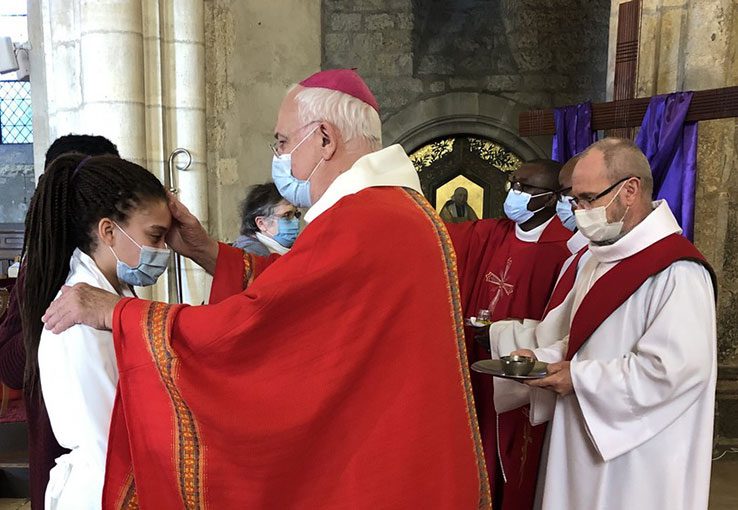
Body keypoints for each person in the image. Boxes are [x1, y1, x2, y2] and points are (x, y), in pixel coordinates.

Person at [42, 69, 491, 509]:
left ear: (324, 139)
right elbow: (300, 294)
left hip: (382, 463)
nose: (277, 157)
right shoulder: (388, 210)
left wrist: (117, 314)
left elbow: (261, 326)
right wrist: (207, 252)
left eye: (281, 141)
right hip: (404, 450)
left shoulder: (362, 221)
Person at [517, 138, 716, 510]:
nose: (579, 211)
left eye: (588, 198)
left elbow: (674, 371)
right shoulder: (598, 258)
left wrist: (578, 377)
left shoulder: (678, 271)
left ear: (629, 190)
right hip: (579, 435)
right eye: (575, 200)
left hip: (639, 456)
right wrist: (542, 358)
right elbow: (582, 341)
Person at [21, 154, 171, 509]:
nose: (163, 250)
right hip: (105, 488)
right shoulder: (79, 317)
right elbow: (111, 438)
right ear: (108, 231)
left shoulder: (112, 299)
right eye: (156, 236)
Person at [0, 134, 119, 510]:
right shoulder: (44, 273)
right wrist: (52, 314)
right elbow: (7, 365)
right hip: (63, 446)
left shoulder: (109, 264)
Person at [445, 159, 572, 508]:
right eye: (512, 184)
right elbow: (436, 237)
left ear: (549, 198)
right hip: (473, 367)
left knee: (517, 459)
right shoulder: (490, 234)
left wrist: (503, 338)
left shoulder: (566, 249)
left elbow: (563, 327)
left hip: (520, 380)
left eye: (525, 187)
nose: (513, 193)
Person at [232, 183, 300, 256]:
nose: (295, 221)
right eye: (286, 215)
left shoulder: (290, 249)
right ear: (261, 223)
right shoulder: (251, 257)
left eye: (296, 215)